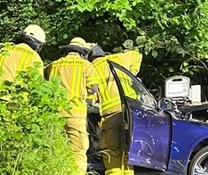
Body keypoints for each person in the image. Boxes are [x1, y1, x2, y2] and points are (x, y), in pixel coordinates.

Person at [45, 37, 101, 175]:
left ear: (67, 51)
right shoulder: (86, 65)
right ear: (83, 53)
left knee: (57, 149)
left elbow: (43, 83)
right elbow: (93, 88)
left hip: (55, 114)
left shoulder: (54, 65)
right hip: (76, 114)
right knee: (78, 151)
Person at [88, 44, 142, 175]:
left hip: (110, 116)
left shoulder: (93, 69)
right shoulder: (118, 58)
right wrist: (131, 75)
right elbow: (137, 54)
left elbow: (92, 97)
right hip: (129, 112)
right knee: (128, 149)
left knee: (111, 149)